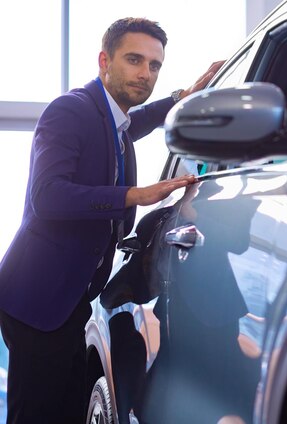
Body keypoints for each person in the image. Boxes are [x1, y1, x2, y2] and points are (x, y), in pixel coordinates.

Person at [0, 17, 224, 424]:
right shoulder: (70, 110)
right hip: (39, 300)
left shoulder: (112, 119)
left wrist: (180, 98)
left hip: (67, 302)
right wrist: (134, 196)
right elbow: (47, 196)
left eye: (154, 65)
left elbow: (133, 124)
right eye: (134, 60)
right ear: (105, 60)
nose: (145, 74)